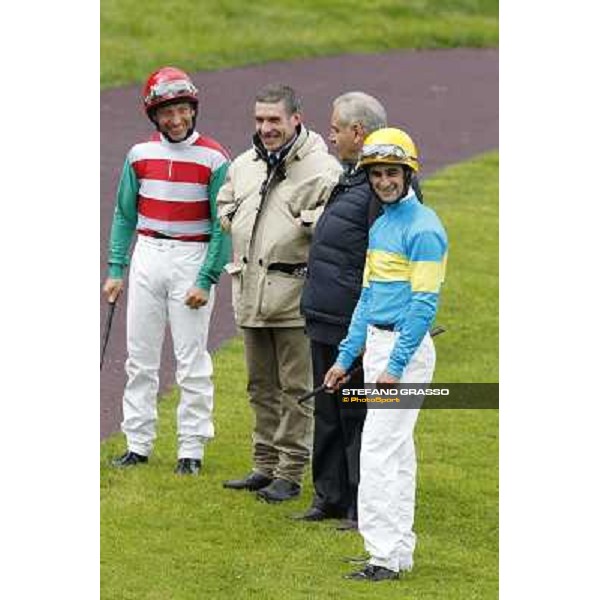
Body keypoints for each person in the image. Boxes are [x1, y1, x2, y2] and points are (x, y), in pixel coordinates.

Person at [324, 127, 448, 581]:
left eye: (391, 173)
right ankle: (396, 554)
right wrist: (344, 358)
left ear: (408, 174)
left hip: (404, 352)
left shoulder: (425, 229)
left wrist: (395, 366)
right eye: (376, 174)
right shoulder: (380, 225)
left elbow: (424, 304)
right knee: (396, 454)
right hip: (377, 346)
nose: (383, 182)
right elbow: (367, 298)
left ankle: (381, 556)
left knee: (377, 451)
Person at [103, 66, 231, 476]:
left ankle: (191, 449)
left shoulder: (214, 157)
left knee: (191, 359)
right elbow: (124, 215)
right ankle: (138, 443)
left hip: (191, 258)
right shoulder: (139, 155)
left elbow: (221, 225)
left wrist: (207, 278)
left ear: (193, 109)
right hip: (148, 253)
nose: (176, 120)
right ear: (153, 116)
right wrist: (116, 268)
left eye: (182, 110)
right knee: (139, 357)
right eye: (166, 112)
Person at [218, 84, 342, 502]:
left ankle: (289, 472)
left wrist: (297, 224)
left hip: (293, 298)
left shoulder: (323, 168)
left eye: (274, 119)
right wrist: (232, 218)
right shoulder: (244, 164)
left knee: (296, 389)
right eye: (259, 120)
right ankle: (263, 465)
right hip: (250, 293)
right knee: (259, 386)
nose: (266, 128)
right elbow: (224, 204)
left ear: (295, 119)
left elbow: (327, 227)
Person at [294, 92, 387, 528]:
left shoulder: (384, 182)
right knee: (328, 411)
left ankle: (358, 503)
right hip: (326, 318)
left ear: (358, 132)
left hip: (355, 322)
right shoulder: (352, 177)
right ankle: (328, 496)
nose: (329, 137)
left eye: (335, 129)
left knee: (354, 412)